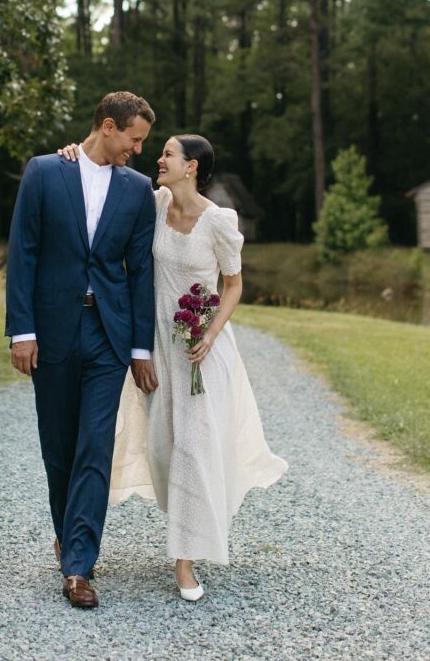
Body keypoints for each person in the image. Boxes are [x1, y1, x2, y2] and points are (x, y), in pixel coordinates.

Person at [59, 134, 288, 601]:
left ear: (193, 168)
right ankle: (157, 532)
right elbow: (103, 177)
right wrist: (73, 157)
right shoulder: (155, 200)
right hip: (157, 348)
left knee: (193, 449)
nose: (158, 158)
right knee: (163, 447)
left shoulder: (220, 222)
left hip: (199, 352)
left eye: (167, 154)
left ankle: (184, 564)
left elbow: (234, 285)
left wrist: (209, 333)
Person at [5, 91, 159, 610]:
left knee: (95, 445)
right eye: (134, 139)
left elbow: (140, 271)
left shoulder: (138, 191)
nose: (137, 151)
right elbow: (23, 253)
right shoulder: (45, 172)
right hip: (51, 330)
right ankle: (68, 533)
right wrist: (21, 330)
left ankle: (78, 566)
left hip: (108, 335)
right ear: (109, 127)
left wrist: (141, 347)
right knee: (59, 448)